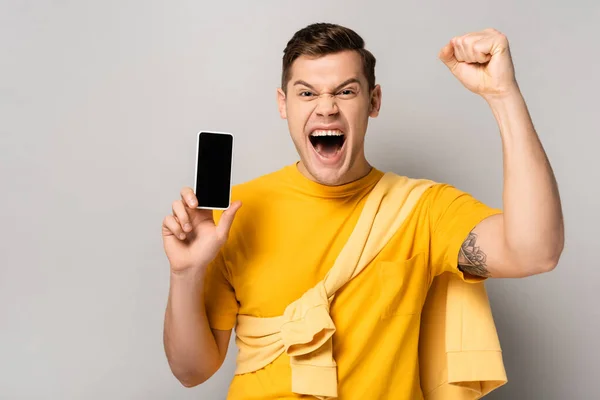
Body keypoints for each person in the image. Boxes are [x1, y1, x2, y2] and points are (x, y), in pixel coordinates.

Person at [161, 23, 564, 399]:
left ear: (374, 101)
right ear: (283, 104)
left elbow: (535, 252)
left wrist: (503, 95)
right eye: (306, 93)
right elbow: (191, 371)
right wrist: (185, 273)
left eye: (346, 91)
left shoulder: (423, 209)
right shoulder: (234, 213)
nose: (326, 108)